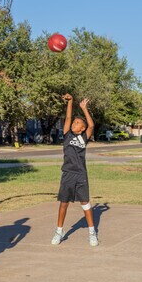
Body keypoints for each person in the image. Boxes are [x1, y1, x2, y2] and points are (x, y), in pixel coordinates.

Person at [51, 93, 98, 246]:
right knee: (63, 203)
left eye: (77, 123)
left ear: (82, 128)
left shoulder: (84, 137)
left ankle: (92, 232)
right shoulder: (67, 135)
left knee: (85, 203)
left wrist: (84, 108)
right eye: (74, 122)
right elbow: (68, 118)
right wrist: (70, 102)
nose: (74, 124)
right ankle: (59, 231)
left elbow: (91, 125)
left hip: (81, 175)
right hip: (68, 174)